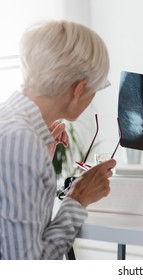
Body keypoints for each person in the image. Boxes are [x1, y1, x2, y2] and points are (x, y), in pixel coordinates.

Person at [0, 20, 116, 259]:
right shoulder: (22, 141)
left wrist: (39, 152)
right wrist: (78, 198)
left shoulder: (11, 123)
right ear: (78, 90)